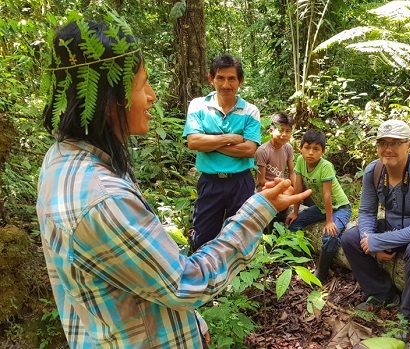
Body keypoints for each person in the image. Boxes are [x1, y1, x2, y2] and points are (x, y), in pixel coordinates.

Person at [37, 16, 311, 349]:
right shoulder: (102, 198)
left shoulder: (65, 159)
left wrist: (192, 323)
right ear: (110, 98)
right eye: (142, 85)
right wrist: (261, 208)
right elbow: (184, 281)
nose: (151, 96)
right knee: (204, 236)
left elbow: (146, 275)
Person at [340, 119, 410, 321]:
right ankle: (382, 295)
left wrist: (380, 241)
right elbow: (366, 212)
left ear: (409, 145)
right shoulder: (373, 171)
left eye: (395, 143)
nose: (388, 149)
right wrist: (371, 240)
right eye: (382, 143)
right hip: (395, 227)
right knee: (350, 238)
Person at [183, 54, 261, 251]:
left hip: (241, 182)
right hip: (210, 182)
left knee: (240, 238)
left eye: (232, 78)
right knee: (202, 238)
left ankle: (237, 281)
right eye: (220, 78)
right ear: (211, 79)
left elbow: (249, 150)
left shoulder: (251, 111)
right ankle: (204, 279)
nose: (226, 84)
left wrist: (209, 140)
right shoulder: (198, 105)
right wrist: (229, 138)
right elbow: (193, 142)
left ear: (240, 81)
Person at [286, 129, 351, 281]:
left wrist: (329, 221)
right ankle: (296, 259)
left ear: (323, 151)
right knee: (295, 224)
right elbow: (297, 188)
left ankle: (322, 272)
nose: (310, 152)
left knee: (330, 235)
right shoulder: (301, 161)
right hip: (322, 207)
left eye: (316, 149)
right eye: (307, 147)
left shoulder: (325, 166)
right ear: (300, 147)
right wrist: (295, 212)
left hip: (340, 207)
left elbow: (327, 195)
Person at [254, 112, 297, 225]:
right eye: (281, 130)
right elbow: (261, 180)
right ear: (271, 131)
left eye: (288, 131)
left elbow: (292, 172)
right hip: (265, 188)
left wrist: (295, 187)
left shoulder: (288, 148)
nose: (284, 134)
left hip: (281, 185)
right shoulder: (263, 151)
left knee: (297, 190)